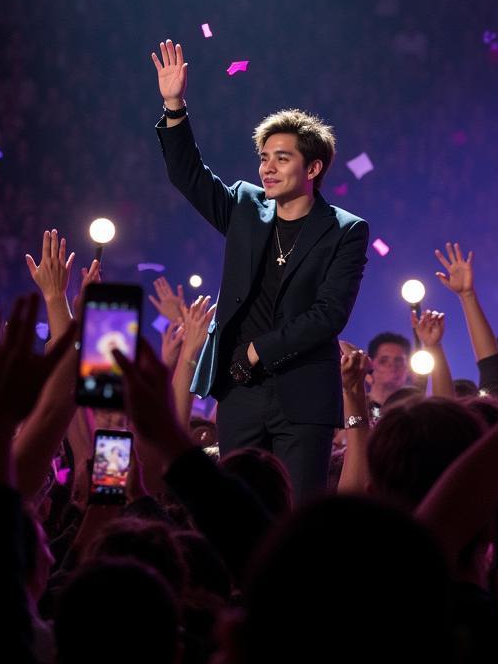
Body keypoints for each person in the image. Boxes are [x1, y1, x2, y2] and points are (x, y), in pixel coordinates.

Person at [151, 39, 369, 501]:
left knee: (297, 515)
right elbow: (188, 175)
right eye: (264, 158)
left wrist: (258, 352)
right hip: (239, 394)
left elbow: (330, 315)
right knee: (235, 509)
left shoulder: (345, 231)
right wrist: (174, 107)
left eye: (281, 158)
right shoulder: (245, 206)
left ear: (312, 167)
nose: (267, 168)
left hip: (303, 394)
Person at [366, 331, 411, 414]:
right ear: (370, 367)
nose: (392, 366)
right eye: (383, 361)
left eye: (399, 361)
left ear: (407, 369)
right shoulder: (356, 406)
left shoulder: (414, 411)